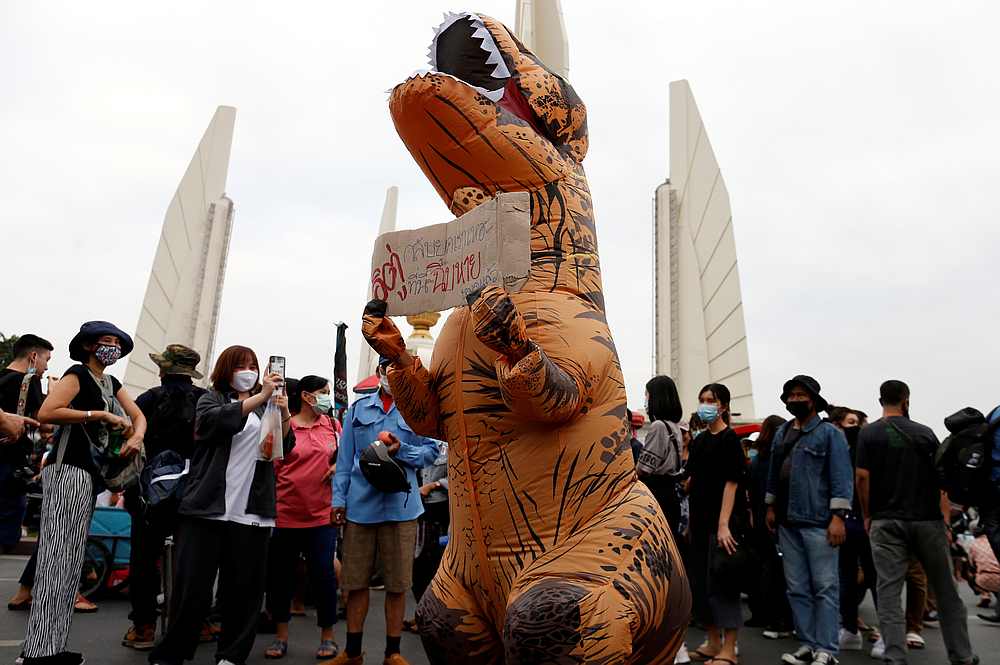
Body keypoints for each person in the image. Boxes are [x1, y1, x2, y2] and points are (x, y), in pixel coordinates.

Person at [149, 345, 294, 665]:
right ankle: (173, 652)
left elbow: (284, 446)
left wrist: (281, 410)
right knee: (192, 588)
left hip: (251, 511)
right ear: (226, 370)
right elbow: (213, 423)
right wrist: (260, 396)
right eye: (241, 366)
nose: (249, 372)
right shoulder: (211, 399)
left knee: (244, 590)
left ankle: (231, 654)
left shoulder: (265, 407)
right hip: (207, 508)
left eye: (253, 366)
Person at [22, 321, 146, 665]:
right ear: (89, 345)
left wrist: (137, 436)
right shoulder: (77, 375)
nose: (113, 348)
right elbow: (48, 412)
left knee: (71, 560)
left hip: (90, 475)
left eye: (117, 343)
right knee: (56, 559)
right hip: (68, 469)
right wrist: (98, 414)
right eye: (106, 341)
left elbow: (138, 415)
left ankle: (52, 646)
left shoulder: (111, 383)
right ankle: (39, 651)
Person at [326, 357, 440, 665]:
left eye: (398, 368)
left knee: (398, 584)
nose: (392, 373)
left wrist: (402, 449)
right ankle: (352, 652)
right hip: (360, 508)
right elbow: (345, 461)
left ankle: (393, 653)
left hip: (402, 508)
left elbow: (431, 453)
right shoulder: (358, 410)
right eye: (387, 367)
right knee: (355, 582)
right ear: (379, 371)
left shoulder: (416, 410)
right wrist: (338, 501)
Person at [856, 380, 979, 665]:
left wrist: (867, 514)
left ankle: (895, 655)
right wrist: (945, 522)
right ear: (906, 400)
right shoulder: (924, 432)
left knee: (889, 591)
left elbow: (862, 477)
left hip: (886, 521)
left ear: (880, 401)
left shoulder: (868, 433)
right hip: (927, 520)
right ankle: (961, 654)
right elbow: (941, 481)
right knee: (946, 591)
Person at [121, 344, 207, 651]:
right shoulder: (206, 401)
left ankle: (143, 627)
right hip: (194, 492)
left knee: (144, 560)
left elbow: (129, 440)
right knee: (194, 562)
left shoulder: (147, 400)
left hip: (149, 494)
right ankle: (198, 625)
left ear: (163, 369)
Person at [765, 375, 852, 665]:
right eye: (791, 396)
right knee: (797, 588)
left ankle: (827, 649)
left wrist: (838, 517)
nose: (795, 400)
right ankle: (807, 644)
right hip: (787, 522)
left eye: (801, 395)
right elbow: (774, 473)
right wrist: (770, 506)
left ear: (813, 400)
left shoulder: (830, 434)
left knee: (825, 587)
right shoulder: (782, 432)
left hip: (819, 521)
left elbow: (842, 477)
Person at [262, 375, 340, 660]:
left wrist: (338, 467)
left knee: (323, 576)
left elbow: (346, 455)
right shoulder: (286, 425)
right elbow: (270, 465)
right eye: (323, 392)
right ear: (307, 396)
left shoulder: (332, 425)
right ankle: (280, 636)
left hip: (322, 515)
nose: (327, 397)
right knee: (281, 578)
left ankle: (328, 637)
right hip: (285, 515)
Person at [683, 383, 747, 665]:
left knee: (724, 584)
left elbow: (732, 483)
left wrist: (724, 525)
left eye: (711, 400)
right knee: (701, 584)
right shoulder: (699, 442)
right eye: (702, 399)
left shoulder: (730, 439)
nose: (706, 404)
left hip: (722, 523)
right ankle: (712, 642)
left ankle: (729, 649)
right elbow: (692, 480)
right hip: (698, 522)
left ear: (723, 406)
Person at [827, 406, 878, 652]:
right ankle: (849, 627)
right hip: (850, 519)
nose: (854, 427)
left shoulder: (863, 450)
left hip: (863, 519)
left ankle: (880, 633)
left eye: (856, 422)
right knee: (848, 576)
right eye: (849, 422)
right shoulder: (839, 451)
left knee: (872, 576)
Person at [0, 334, 52, 552]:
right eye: (46, 360)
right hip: (9, 464)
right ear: (33, 356)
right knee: (7, 527)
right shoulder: (28, 381)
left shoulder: (3, 377)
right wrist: (54, 394)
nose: (46, 367)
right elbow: (46, 422)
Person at [746, 415, 794, 639]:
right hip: (777, 520)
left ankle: (761, 613)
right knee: (779, 572)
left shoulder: (756, 460)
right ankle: (782, 618)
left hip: (758, 519)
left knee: (760, 569)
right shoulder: (780, 460)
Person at [405, 438, 449, 632]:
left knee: (435, 566)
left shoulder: (450, 444)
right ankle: (421, 614)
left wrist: (434, 485)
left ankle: (433, 618)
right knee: (417, 566)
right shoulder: (416, 441)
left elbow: (461, 476)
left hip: (442, 511)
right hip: (417, 509)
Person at [637, 375, 685, 534]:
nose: (646, 400)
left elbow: (644, 469)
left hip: (657, 495)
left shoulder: (658, 426)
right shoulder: (675, 426)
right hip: (671, 494)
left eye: (647, 395)